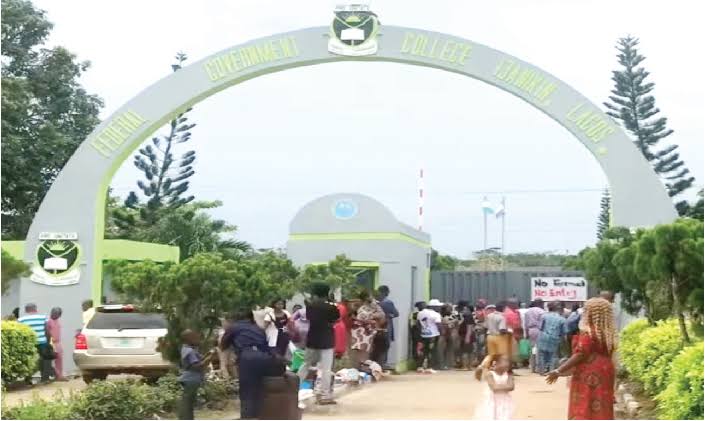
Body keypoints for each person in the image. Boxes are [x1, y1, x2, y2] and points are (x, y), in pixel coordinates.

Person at [546, 298, 616, 420]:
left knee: (584, 405)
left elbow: (580, 354)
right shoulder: (608, 333)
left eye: (586, 311)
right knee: (602, 402)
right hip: (606, 371)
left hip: (588, 373)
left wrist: (559, 370)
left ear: (591, 313)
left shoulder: (588, 333)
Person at [222, 308, 285, 418]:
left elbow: (223, 345)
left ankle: (247, 417)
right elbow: (266, 348)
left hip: (247, 358)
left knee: (247, 390)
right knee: (259, 388)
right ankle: (260, 415)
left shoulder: (234, 327)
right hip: (265, 359)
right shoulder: (258, 329)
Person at [298, 283, 340, 405]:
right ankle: (324, 395)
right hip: (327, 340)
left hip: (312, 340)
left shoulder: (310, 306)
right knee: (326, 369)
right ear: (327, 293)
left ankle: (294, 387)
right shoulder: (331, 306)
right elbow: (336, 319)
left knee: (306, 365)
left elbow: (310, 319)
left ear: (315, 293)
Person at [179, 329, 216, 420]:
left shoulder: (186, 349)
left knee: (188, 400)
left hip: (188, 378)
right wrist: (209, 359)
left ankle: (186, 418)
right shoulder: (190, 351)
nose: (198, 339)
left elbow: (198, 359)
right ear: (189, 339)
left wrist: (207, 355)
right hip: (191, 378)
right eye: (195, 338)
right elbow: (196, 366)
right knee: (188, 402)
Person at [18, 303, 52, 383]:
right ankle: (45, 379)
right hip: (42, 342)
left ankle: (28, 379)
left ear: (26, 310)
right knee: (46, 360)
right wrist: (48, 341)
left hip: (29, 344)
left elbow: (20, 333)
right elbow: (47, 330)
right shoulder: (43, 318)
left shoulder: (21, 320)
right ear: (36, 309)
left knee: (28, 361)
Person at [474, 354, 515, 420]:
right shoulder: (490, 374)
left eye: (508, 361)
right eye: (505, 361)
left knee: (504, 417)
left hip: (504, 401)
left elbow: (511, 387)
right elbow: (494, 388)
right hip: (491, 401)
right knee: (490, 416)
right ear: (495, 363)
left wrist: (498, 386)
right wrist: (505, 386)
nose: (507, 363)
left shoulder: (509, 374)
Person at [351, 290, 385, 367]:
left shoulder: (373, 305)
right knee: (361, 348)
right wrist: (371, 319)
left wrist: (372, 317)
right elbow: (360, 318)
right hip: (361, 331)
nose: (372, 297)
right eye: (370, 296)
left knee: (365, 348)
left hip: (367, 330)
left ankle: (364, 365)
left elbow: (382, 315)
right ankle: (362, 365)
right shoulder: (361, 307)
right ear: (366, 297)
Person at [475, 302, 508, 380]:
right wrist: (507, 331)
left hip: (490, 336)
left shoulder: (489, 316)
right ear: (503, 308)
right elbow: (502, 329)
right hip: (499, 337)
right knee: (501, 356)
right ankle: (500, 373)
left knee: (491, 355)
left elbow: (485, 326)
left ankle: (481, 366)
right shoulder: (502, 317)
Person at [372, 285, 399, 369]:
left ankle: (376, 364)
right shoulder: (388, 303)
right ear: (386, 292)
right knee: (385, 346)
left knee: (376, 346)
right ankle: (382, 365)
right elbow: (396, 313)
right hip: (386, 326)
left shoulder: (374, 303)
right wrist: (388, 316)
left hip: (374, 326)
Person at [536, 301, 566, 374]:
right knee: (553, 355)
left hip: (543, 336)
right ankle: (551, 371)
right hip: (555, 337)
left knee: (541, 354)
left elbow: (540, 327)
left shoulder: (544, 316)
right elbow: (563, 332)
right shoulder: (562, 319)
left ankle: (542, 371)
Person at [416, 299, 443, 373]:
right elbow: (438, 325)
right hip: (433, 335)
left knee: (423, 351)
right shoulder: (436, 314)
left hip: (423, 335)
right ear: (433, 307)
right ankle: (429, 367)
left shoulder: (420, 313)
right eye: (438, 306)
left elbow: (418, 324)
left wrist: (421, 331)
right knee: (431, 351)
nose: (439, 308)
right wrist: (441, 333)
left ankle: (420, 367)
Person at [46, 307, 67, 381]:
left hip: (58, 342)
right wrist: (49, 343)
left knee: (59, 359)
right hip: (51, 342)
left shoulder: (57, 321)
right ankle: (56, 375)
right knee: (50, 360)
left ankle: (59, 375)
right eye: (53, 313)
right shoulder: (48, 321)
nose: (54, 314)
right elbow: (47, 332)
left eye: (57, 314)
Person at [524, 299, 545, 373]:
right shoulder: (541, 311)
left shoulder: (528, 311)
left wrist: (526, 333)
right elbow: (542, 323)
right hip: (539, 330)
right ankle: (538, 367)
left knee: (533, 348)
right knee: (539, 349)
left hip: (531, 330)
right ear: (540, 304)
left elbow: (525, 324)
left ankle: (532, 366)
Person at [437, 303, 460, 370]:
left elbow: (457, 324)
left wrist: (455, 331)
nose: (450, 310)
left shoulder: (454, 315)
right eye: (448, 308)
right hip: (442, 335)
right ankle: (441, 365)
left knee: (450, 350)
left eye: (450, 308)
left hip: (451, 333)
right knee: (440, 350)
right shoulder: (439, 315)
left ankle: (449, 364)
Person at [503, 299, 522, 366]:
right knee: (512, 350)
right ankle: (511, 364)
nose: (517, 305)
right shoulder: (509, 313)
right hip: (511, 333)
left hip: (516, 333)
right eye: (516, 304)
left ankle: (513, 364)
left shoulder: (515, 311)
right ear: (511, 304)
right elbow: (513, 324)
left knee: (514, 350)